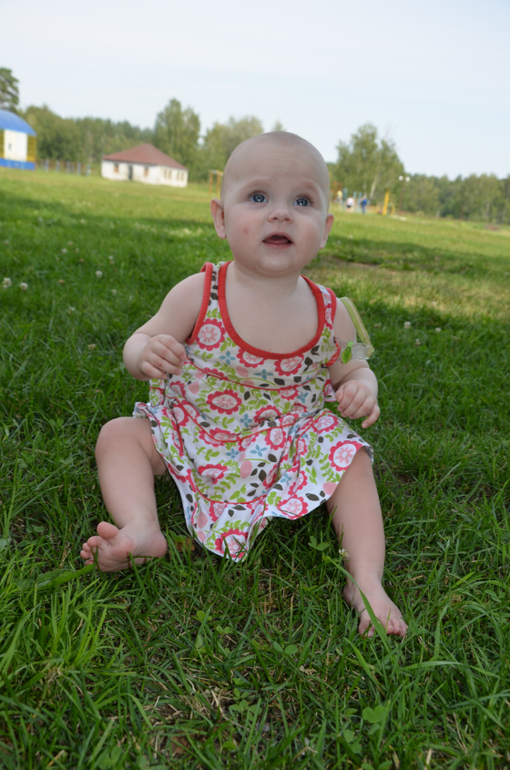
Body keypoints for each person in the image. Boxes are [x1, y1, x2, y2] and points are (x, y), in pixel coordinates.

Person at [80, 132, 407, 638]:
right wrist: (145, 353)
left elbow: (353, 367)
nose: (281, 214)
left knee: (352, 459)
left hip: (285, 445)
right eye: (258, 197)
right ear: (221, 218)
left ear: (325, 229)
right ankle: (141, 526)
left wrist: (364, 385)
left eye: (303, 201)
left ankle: (366, 580)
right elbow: (138, 340)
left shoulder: (332, 312)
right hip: (195, 433)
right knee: (120, 434)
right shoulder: (200, 292)